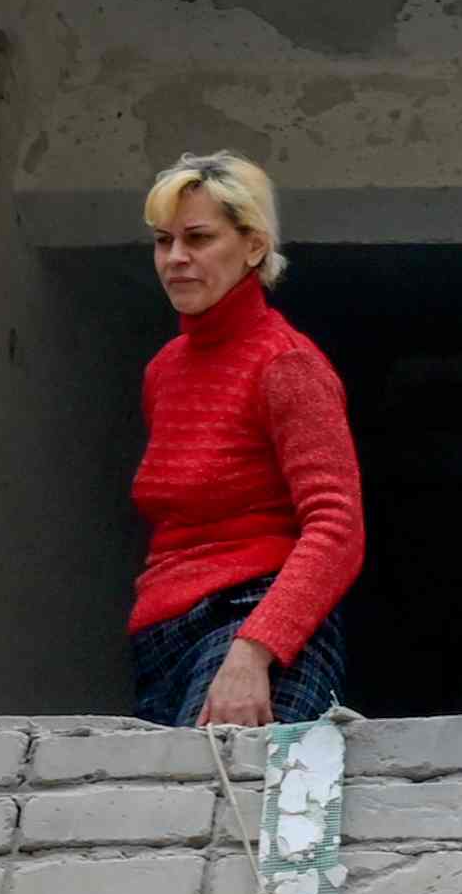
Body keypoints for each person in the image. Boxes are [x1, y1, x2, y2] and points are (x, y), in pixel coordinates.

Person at [123, 151, 363, 728]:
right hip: (161, 642)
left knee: (235, 817)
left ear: (253, 246)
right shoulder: (164, 370)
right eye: (163, 241)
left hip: (252, 627)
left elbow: (338, 527)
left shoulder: (286, 364)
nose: (175, 259)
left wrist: (256, 650)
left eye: (199, 238)